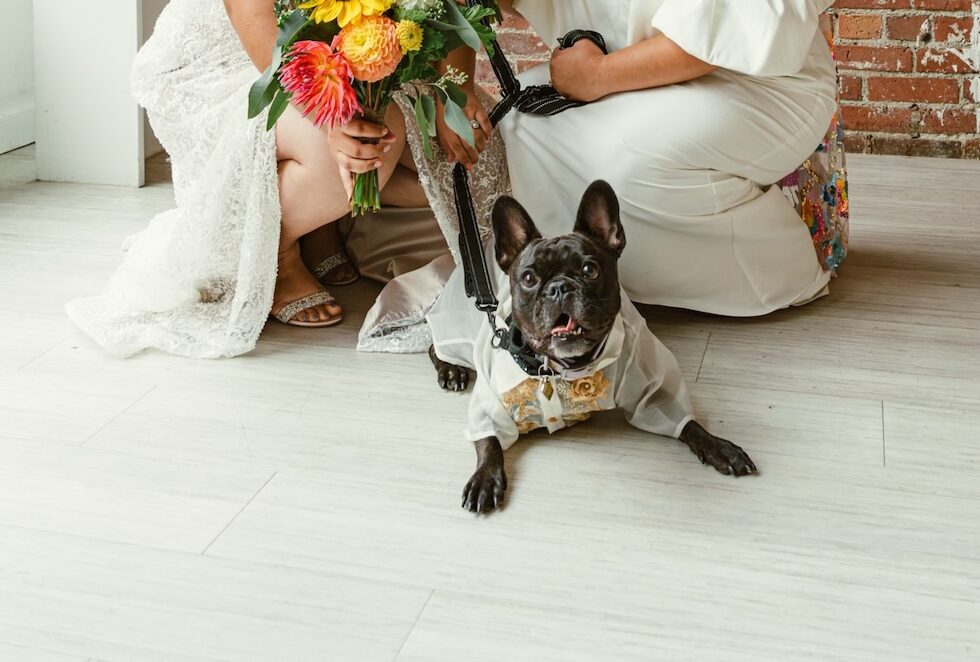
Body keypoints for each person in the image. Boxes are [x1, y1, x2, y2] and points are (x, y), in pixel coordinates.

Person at [66, 0, 492, 358]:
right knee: (368, 144)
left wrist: (455, 89)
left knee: (475, 161)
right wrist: (331, 122)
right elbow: (257, 25)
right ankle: (277, 250)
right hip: (236, 59)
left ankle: (325, 221)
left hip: (351, 47)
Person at [495, 0, 840, 316]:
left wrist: (597, 75)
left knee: (625, 163)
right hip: (628, 63)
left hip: (757, 81)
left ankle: (772, 269)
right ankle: (562, 286)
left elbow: (729, 28)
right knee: (517, 122)